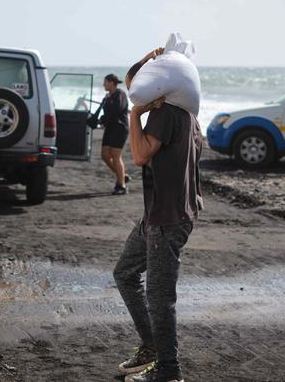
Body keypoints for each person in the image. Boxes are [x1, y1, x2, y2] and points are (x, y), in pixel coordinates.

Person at [113, 47, 203, 382]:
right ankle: (152, 346)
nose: (135, 94)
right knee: (125, 272)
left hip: (167, 219)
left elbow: (137, 155)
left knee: (160, 298)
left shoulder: (165, 114)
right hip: (163, 215)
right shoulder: (189, 114)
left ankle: (168, 370)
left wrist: (135, 115)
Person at [100, 73, 130, 195]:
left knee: (116, 156)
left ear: (111, 83)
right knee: (105, 155)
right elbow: (107, 113)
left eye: (105, 82)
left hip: (120, 128)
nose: (103, 84)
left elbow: (117, 110)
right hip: (110, 128)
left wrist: (109, 100)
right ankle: (122, 175)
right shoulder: (109, 96)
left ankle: (121, 185)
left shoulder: (120, 94)